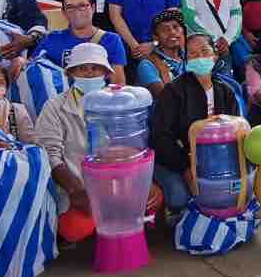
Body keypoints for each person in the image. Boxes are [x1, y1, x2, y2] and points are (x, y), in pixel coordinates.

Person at [34, 42, 164, 223]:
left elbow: (135, 145)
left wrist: (145, 182)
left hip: (117, 180)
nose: (89, 73)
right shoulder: (54, 107)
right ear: (70, 73)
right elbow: (50, 154)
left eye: (95, 68)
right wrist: (76, 191)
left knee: (150, 201)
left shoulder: (121, 103)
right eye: (82, 68)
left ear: (107, 73)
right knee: (75, 227)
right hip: (77, 183)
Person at [149, 33, 242, 218]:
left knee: (235, 190)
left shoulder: (226, 91)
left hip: (215, 158)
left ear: (215, 56)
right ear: (186, 60)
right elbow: (161, 138)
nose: (200, 57)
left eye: (204, 51)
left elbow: (235, 130)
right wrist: (185, 168)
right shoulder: (173, 91)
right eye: (192, 54)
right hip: (177, 159)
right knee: (179, 196)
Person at [34, 0, 126, 84]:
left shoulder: (111, 40)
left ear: (93, 8)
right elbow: (32, 67)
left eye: (82, 6)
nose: (76, 11)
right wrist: (21, 61)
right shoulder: (52, 39)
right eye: (70, 7)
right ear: (64, 12)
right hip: (61, 99)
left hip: (99, 98)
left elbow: (118, 85)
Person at [136, 8, 188, 99]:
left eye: (175, 27)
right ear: (156, 38)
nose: (172, 32)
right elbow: (165, 97)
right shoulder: (147, 64)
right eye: (165, 29)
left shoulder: (191, 57)